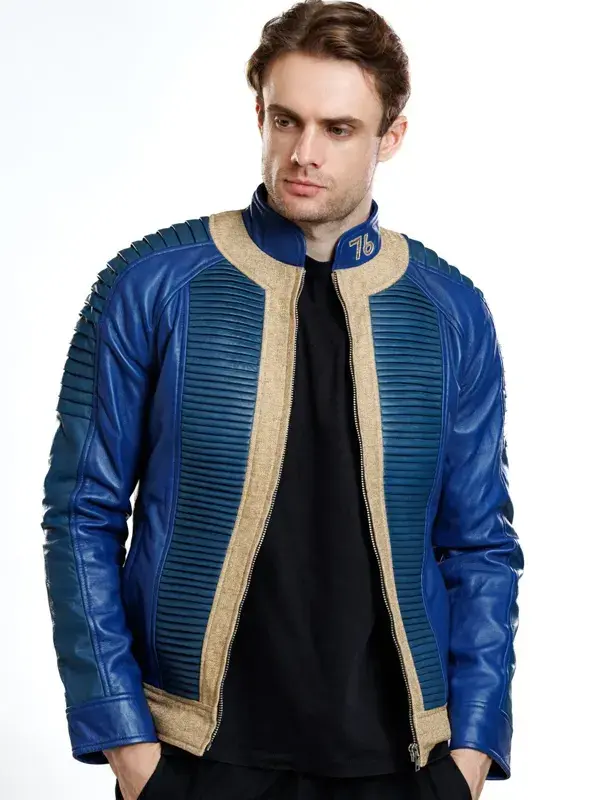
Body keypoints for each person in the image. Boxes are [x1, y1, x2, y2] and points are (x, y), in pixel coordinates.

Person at [40, 2, 524, 799]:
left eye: (339, 129)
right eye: (285, 120)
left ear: (390, 138)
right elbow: (80, 515)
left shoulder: (450, 309)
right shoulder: (152, 284)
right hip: (194, 755)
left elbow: (479, 544)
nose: (304, 153)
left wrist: (471, 751)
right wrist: (125, 741)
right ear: (259, 114)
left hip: (401, 763)